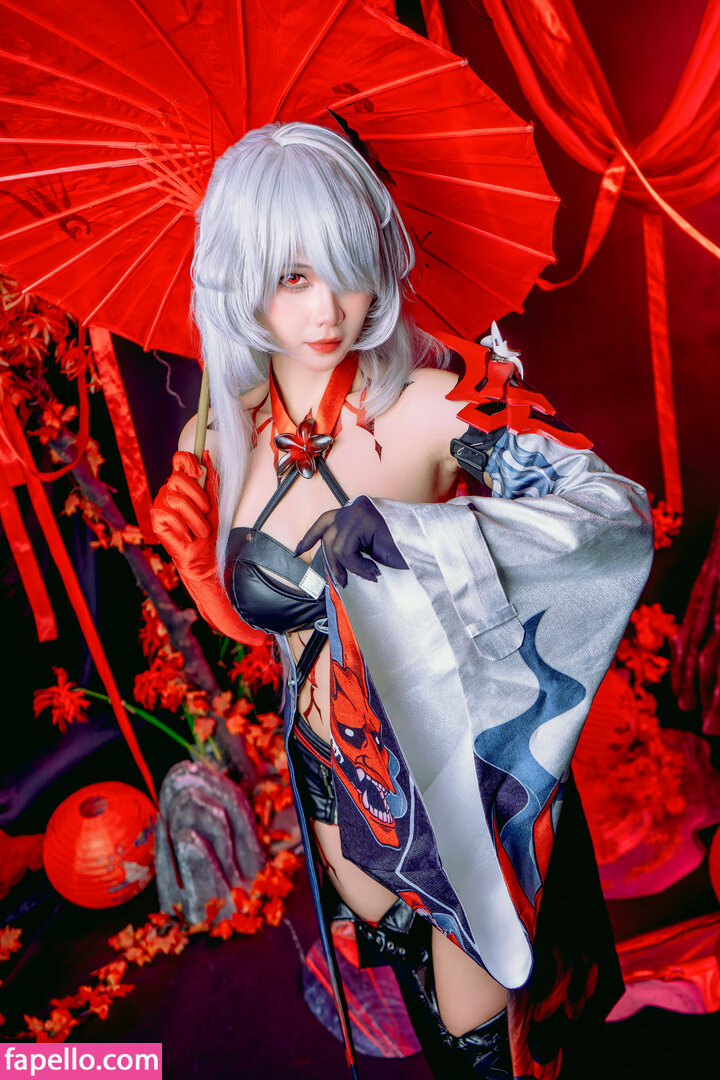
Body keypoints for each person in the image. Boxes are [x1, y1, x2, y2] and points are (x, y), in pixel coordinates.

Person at [151, 122, 653, 1079]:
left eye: (346, 267)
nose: (329, 307)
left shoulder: (432, 404)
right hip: (333, 790)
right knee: (432, 1025)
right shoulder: (216, 438)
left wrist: (412, 542)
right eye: (292, 276)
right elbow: (287, 639)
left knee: (491, 1045)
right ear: (238, 277)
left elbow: (610, 512)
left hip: (452, 780)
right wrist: (209, 583)